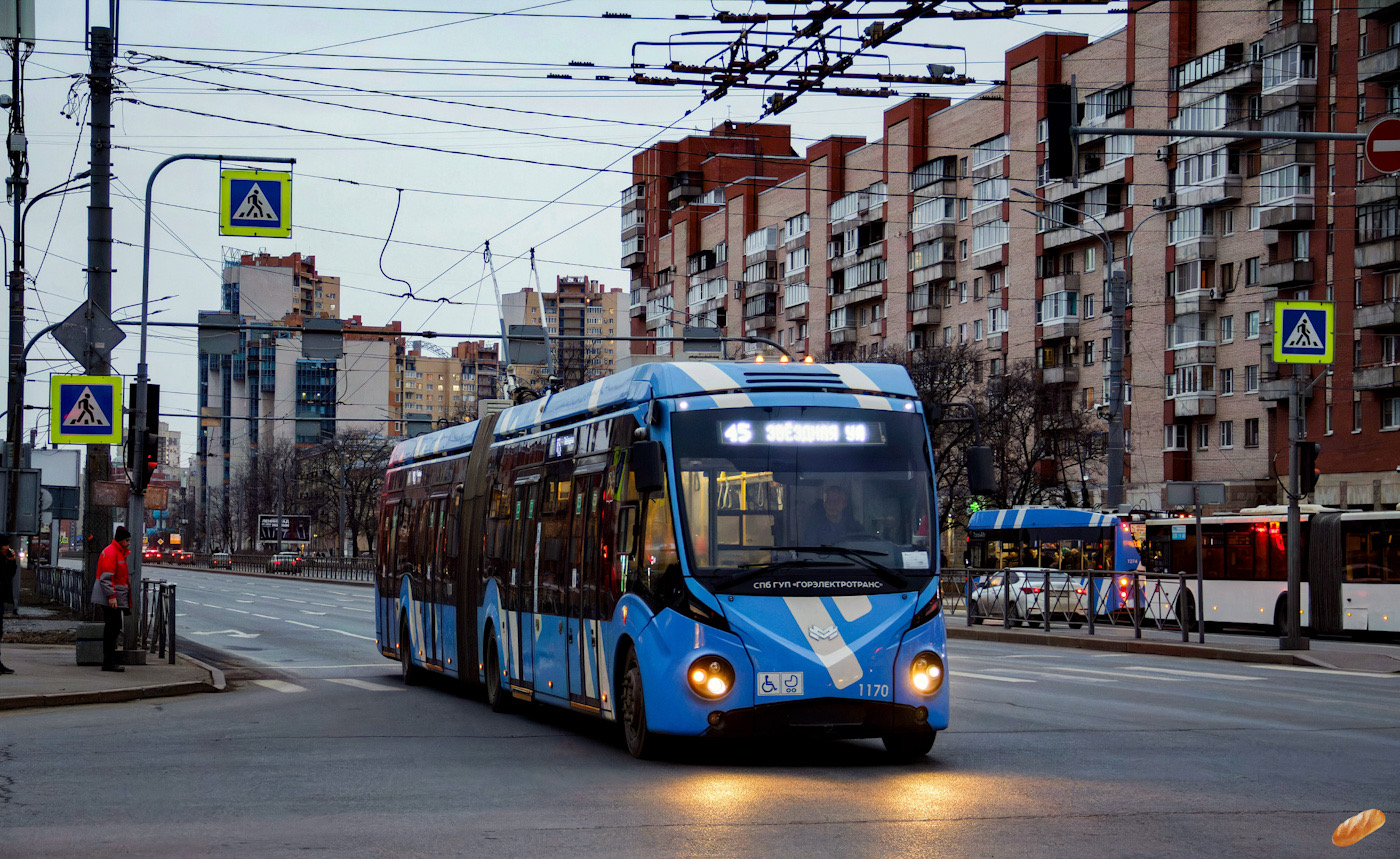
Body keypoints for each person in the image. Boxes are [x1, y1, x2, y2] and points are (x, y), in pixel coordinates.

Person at [90, 526, 132, 673]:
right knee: (112, 629)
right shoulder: (112, 552)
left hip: (113, 597)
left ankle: (110, 660)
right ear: (121, 539)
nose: (128, 543)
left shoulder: (117, 552)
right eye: (127, 540)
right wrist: (112, 597)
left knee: (114, 628)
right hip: (110, 599)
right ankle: (108, 662)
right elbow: (106, 578)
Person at [0, 537, 16, 675]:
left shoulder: (4, 558)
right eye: (5, 545)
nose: (8, 548)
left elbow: (10, 575)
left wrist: (11, 561)